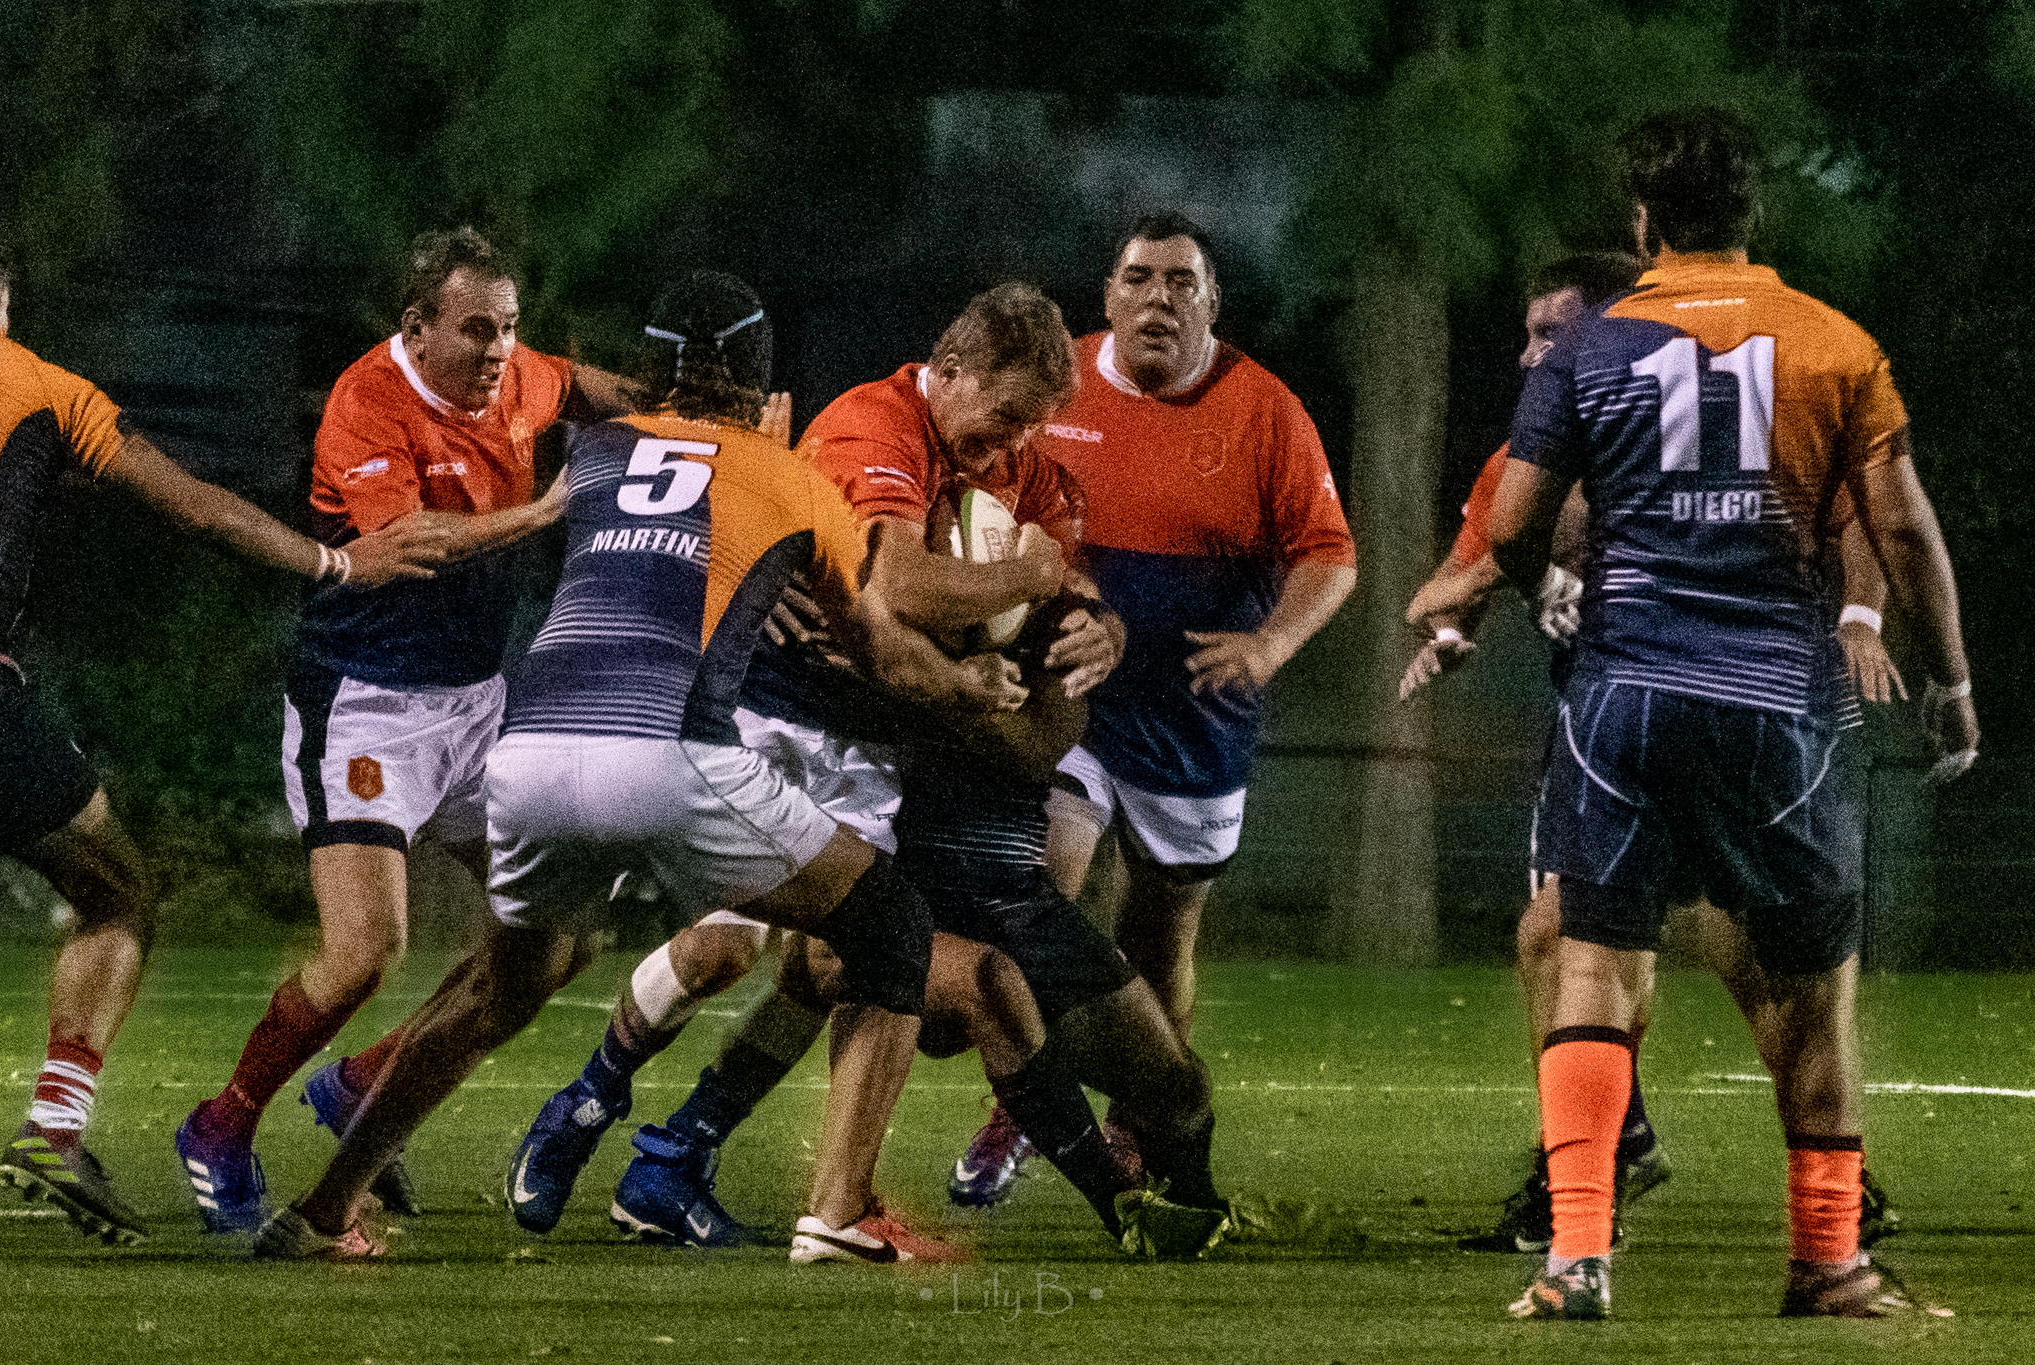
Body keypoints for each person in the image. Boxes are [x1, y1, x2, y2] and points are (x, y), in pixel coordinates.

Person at [252, 269, 1020, 1260]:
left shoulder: (602, 449)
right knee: (888, 924)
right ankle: (836, 1212)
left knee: (499, 987)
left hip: (527, 759)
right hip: (668, 756)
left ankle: (323, 1211)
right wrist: (971, 688)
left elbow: (658, 472)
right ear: (761, 382)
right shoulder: (792, 479)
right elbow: (876, 650)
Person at [508, 284, 1226, 1259]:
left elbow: (1062, 632)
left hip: (916, 776)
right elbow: (893, 581)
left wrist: (1098, 627)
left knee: (865, 967)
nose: (1008, 445)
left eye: (1031, 427)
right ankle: (599, 1105)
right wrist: (1016, 586)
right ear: (949, 371)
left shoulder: (1035, 479)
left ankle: (686, 1162)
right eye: (1001, 416)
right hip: (780, 719)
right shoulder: (870, 424)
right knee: (760, 954)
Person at [1490, 108, 1976, 1321]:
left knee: (1595, 965)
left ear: (1641, 223)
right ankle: (1826, 1264)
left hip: (1624, 695)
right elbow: (1902, 528)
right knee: (1812, 989)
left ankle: (1576, 1260)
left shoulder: (1587, 350)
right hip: (1774, 701)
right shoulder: (1832, 343)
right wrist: (1951, 684)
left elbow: (1508, 525)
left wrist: (1564, 597)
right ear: (1751, 217)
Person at [1407, 253, 1905, 1254]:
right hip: (1614, 745)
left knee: (1761, 970)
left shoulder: (1702, 444)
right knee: (1556, 940)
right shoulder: (1527, 460)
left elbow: (1865, 514)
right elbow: (1461, 571)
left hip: (1732, 730)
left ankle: (1830, 1196)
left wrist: (1858, 616)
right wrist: (1465, 617)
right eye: (1533, 332)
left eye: (1553, 333)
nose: (1532, 353)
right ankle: (1600, 1161)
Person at [175, 226, 640, 1234]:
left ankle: (362, 1085)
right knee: (366, 950)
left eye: (509, 330)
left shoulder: (517, 377)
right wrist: (549, 511)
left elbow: (586, 386)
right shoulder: (366, 401)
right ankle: (221, 1124)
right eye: (474, 331)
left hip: (474, 706)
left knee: (557, 937)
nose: (496, 352)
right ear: (416, 327)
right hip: (365, 705)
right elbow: (408, 542)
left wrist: (687, 413)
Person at [0, 235, 445, 1244]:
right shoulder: (43, 388)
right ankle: (54, 1129)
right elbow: (196, 509)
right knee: (116, 892)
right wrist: (332, 563)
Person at [951, 212, 1358, 1204]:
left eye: (1181, 283)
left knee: (1159, 939)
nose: (1157, 299)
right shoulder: (1062, 387)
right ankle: (1026, 1106)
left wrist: (1269, 643)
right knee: (1039, 885)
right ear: (1107, 295)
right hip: (1073, 701)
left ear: (1210, 303)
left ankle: (1145, 1125)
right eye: (1138, 278)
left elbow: (1329, 555)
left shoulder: (1264, 410)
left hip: (1195, 720)